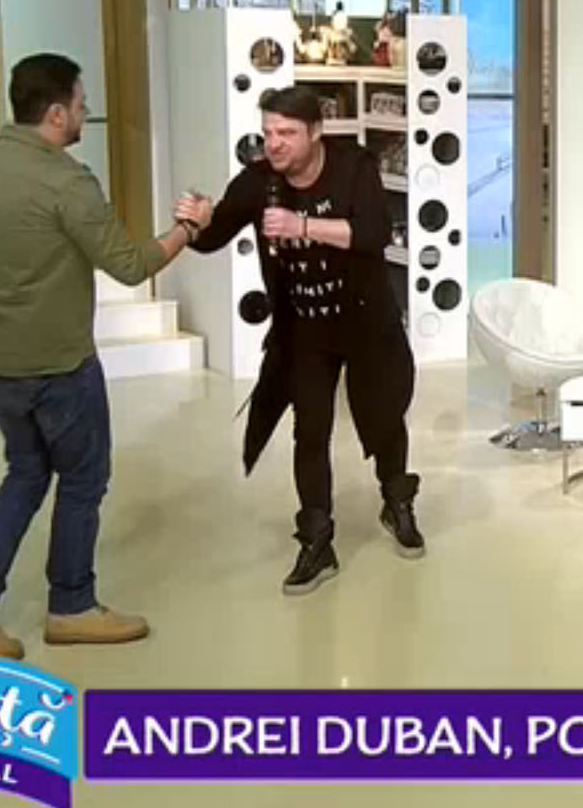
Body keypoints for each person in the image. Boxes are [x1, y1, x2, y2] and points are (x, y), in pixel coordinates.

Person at [0, 53, 213, 659]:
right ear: (57, 113)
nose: (86, 114)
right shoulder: (67, 181)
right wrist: (189, 230)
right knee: (84, 478)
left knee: (25, 473)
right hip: (57, 364)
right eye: (82, 105)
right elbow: (131, 264)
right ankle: (72, 606)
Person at [179, 85, 423, 596]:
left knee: (383, 415)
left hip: (366, 320)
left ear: (315, 132)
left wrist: (303, 225)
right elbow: (214, 235)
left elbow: (375, 233)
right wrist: (195, 223)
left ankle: (397, 501)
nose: (275, 143)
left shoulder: (353, 167)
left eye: (287, 133)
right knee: (309, 430)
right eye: (268, 132)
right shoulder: (258, 181)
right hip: (304, 328)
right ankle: (317, 540)